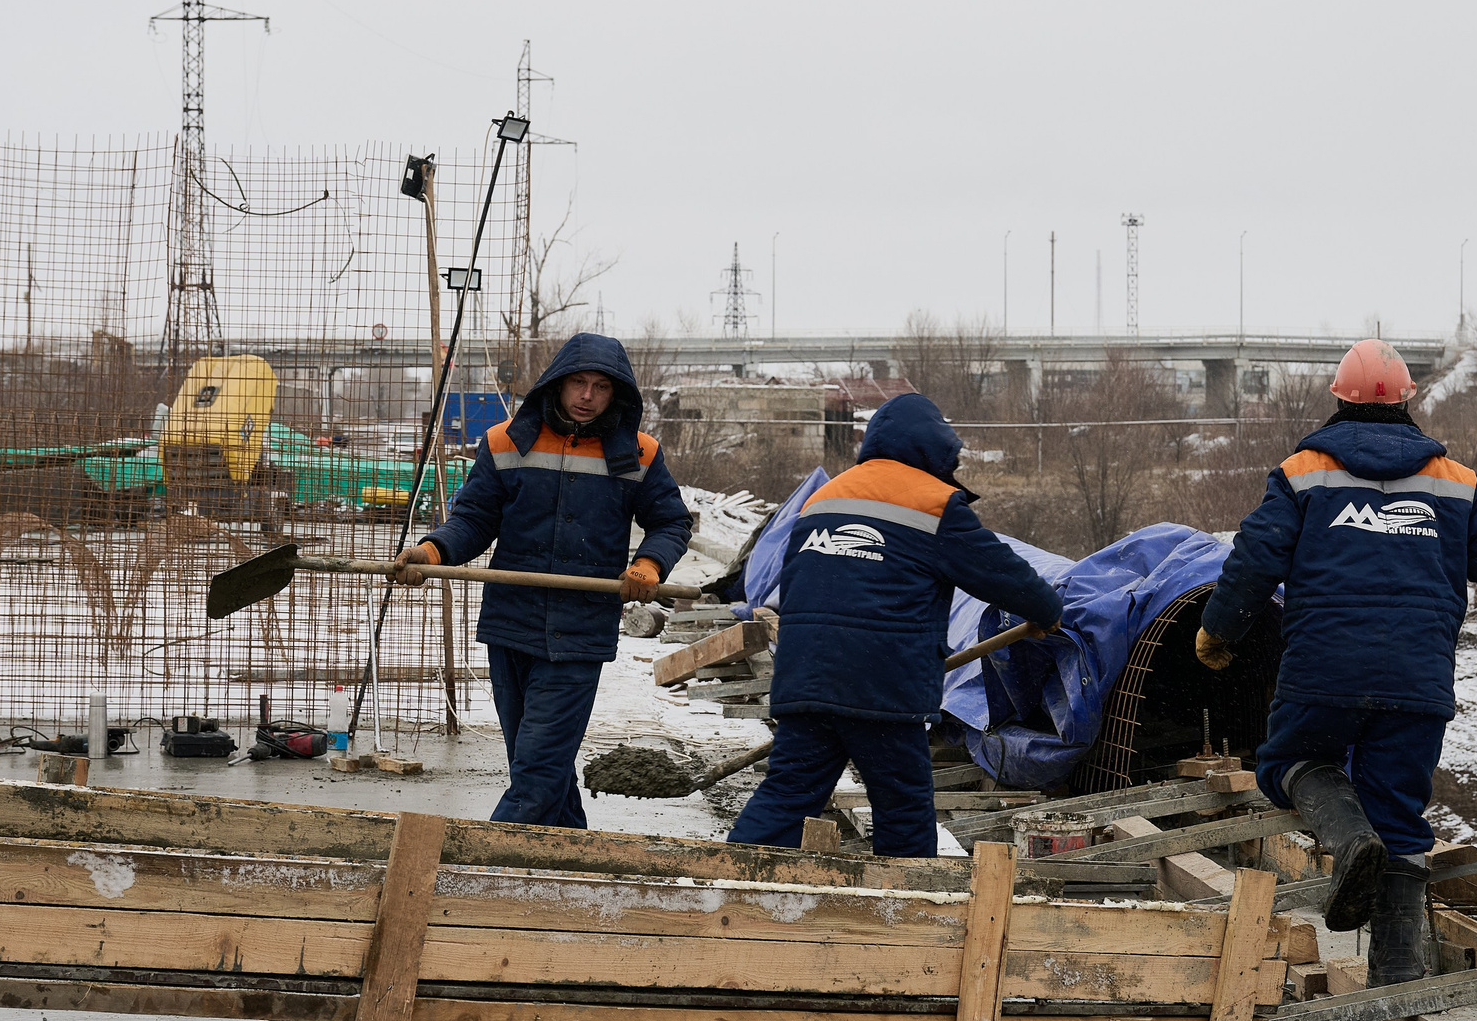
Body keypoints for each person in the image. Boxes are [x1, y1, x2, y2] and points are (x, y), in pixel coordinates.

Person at [1194, 338, 1477, 985]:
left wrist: (1219, 631)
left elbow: (1253, 559)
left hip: (1323, 673)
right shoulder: (1456, 483)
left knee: (1288, 763)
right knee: (1401, 819)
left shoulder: (1305, 472)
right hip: (1418, 684)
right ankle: (1399, 978)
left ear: (1339, 401)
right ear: (1409, 401)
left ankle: (1351, 841)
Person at [730, 394, 1063, 857]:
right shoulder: (934, 505)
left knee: (787, 793)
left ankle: (729, 888)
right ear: (936, 449)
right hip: (883, 689)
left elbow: (802, 585)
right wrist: (1048, 611)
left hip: (806, 679)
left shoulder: (825, 498)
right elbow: (1003, 573)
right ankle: (906, 905)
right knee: (902, 808)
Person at [395, 333, 691, 828]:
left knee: (535, 772)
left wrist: (649, 566)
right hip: (512, 624)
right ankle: (576, 859)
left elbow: (671, 522)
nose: (587, 396)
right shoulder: (505, 442)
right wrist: (431, 551)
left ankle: (471, 871)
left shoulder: (638, 454)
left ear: (617, 394)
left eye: (600, 387)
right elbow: (473, 519)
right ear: (556, 383)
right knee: (541, 770)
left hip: (578, 634)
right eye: (578, 382)